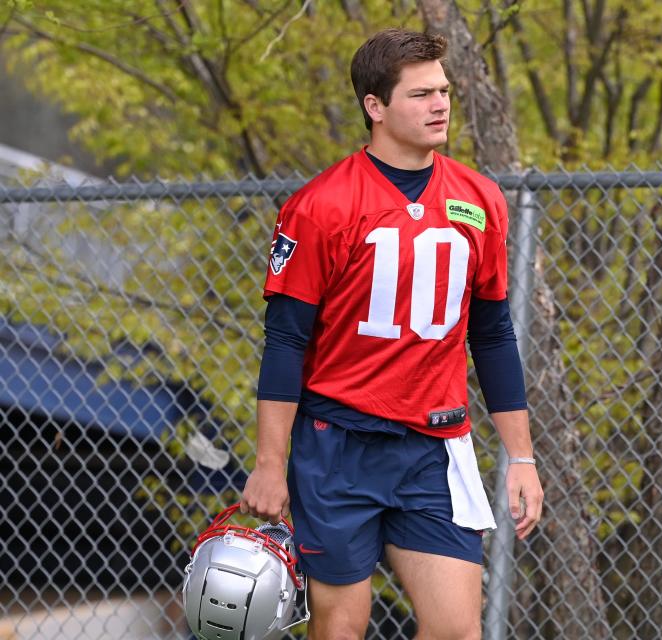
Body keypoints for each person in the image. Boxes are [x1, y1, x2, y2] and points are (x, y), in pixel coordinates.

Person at [240, 28, 543, 640]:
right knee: (342, 627)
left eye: (444, 90)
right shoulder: (320, 205)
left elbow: (491, 336)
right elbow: (287, 342)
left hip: (432, 449)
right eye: (421, 94)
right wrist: (270, 463)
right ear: (375, 107)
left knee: (458, 630)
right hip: (338, 447)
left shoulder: (479, 200)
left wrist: (521, 455)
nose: (440, 105)